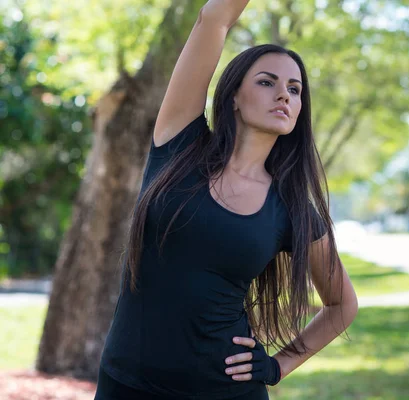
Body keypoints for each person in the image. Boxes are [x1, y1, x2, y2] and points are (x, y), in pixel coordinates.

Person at [94, 0, 358, 399]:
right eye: (267, 82)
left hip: (224, 391)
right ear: (233, 95)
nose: (283, 95)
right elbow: (213, 18)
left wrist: (277, 365)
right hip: (126, 384)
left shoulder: (291, 207)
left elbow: (342, 305)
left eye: (295, 88)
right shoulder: (178, 145)